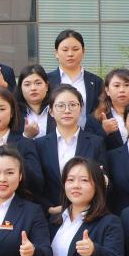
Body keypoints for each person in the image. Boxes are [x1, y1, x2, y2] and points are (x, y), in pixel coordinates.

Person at [35, 85, 108, 214]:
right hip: (50, 215)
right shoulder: (39, 144)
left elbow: (105, 181)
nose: (67, 110)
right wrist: (49, 208)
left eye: (73, 105)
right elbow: (36, 184)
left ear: (80, 109)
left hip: (87, 214)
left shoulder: (96, 142)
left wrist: (104, 180)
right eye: (60, 106)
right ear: (51, 111)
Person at [47, 30, 103, 126]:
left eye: (75, 49)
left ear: (83, 51)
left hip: (89, 134)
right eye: (65, 50)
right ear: (56, 53)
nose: (70, 54)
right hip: (55, 134)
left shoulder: (96, 82)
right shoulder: (46, 81)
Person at [92, 69, 129, 152]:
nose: (122, 90)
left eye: (126, 85)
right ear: (107, 90)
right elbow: (88, 147)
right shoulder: (95, 118)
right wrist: (104, 131)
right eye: (116, 86)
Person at [15, 65, 52, 139]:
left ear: (46, 86)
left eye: (38, 83)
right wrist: (26, 136)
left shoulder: (57, 109)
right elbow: (10, 144)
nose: (33, 88)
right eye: (27, 84)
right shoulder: (14, 113)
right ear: (21, 88)